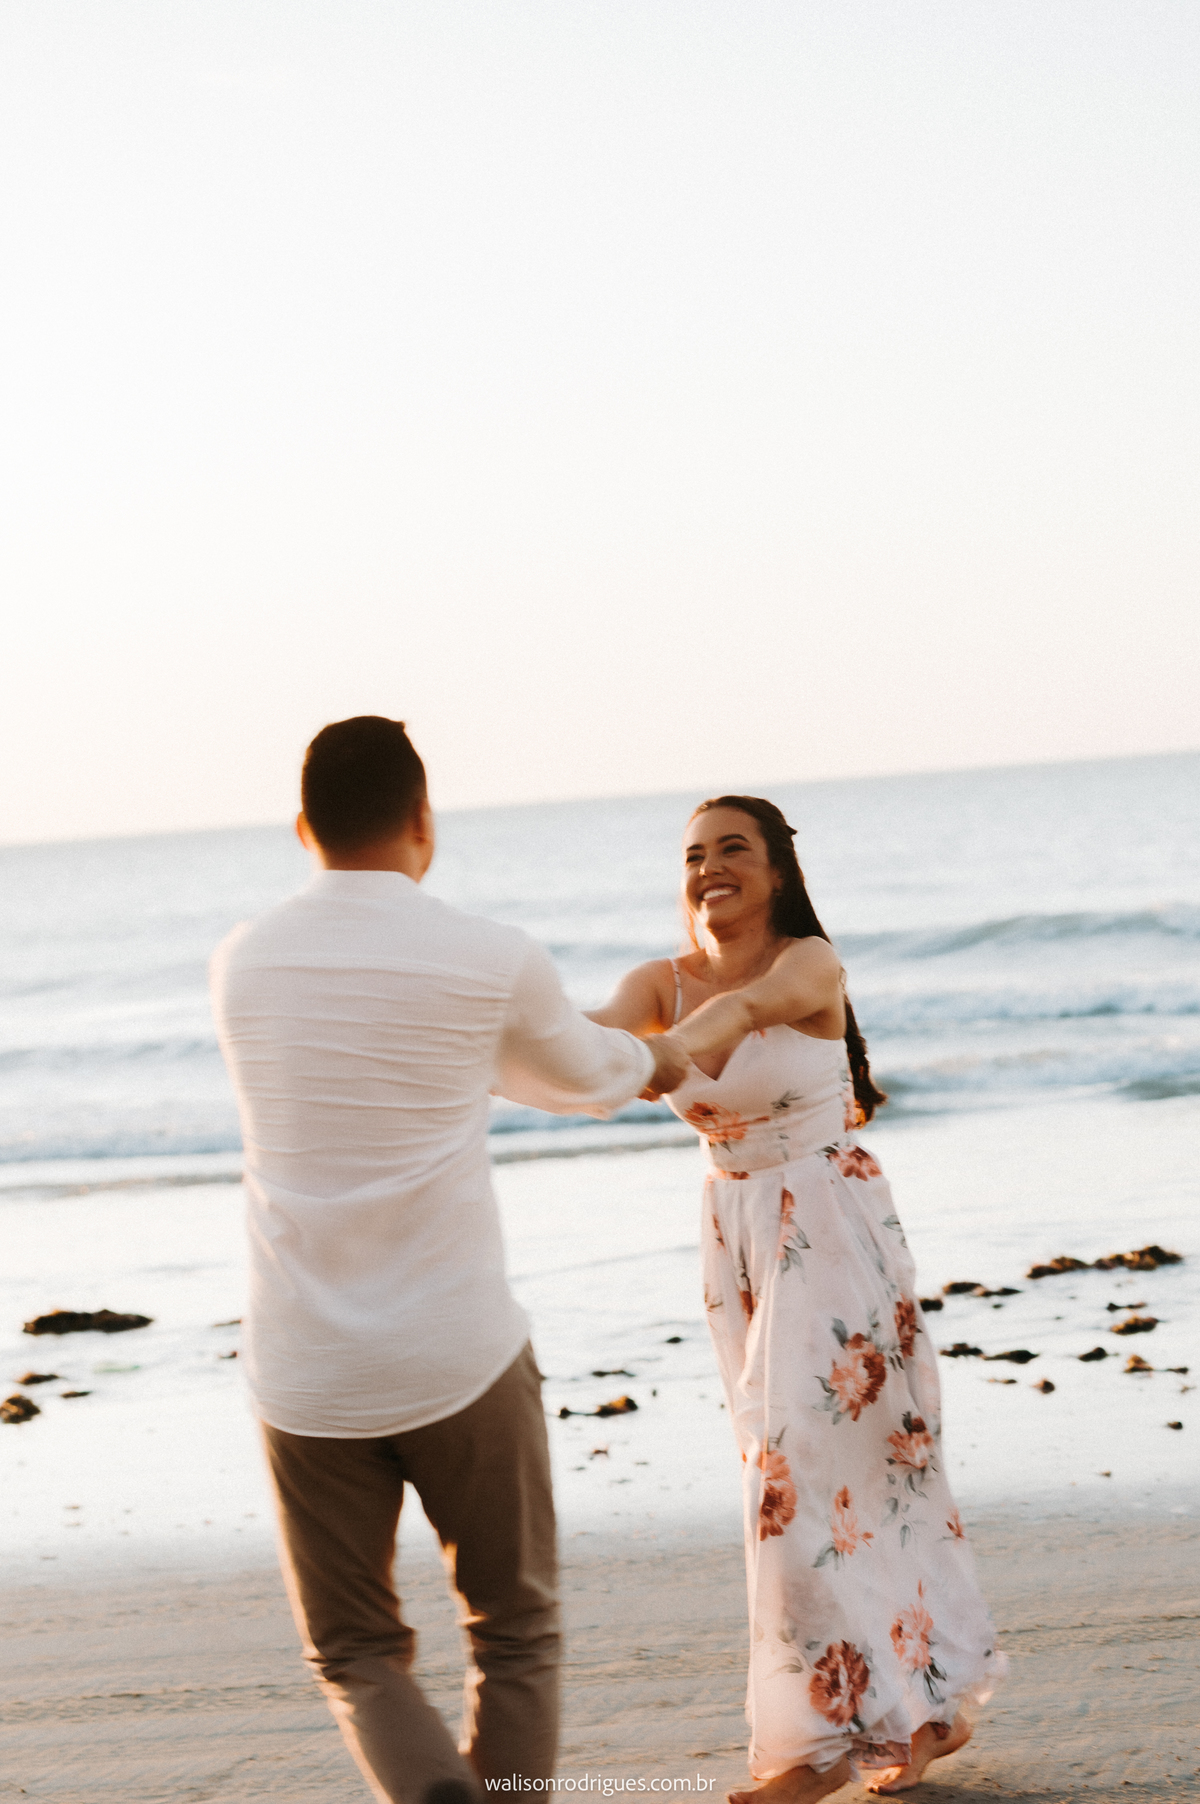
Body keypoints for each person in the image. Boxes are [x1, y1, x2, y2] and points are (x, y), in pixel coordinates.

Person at [209, 717, 691, 1804]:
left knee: (354, 1648)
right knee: (516, 1628)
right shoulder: (490, 956)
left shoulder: (240, 962)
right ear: (425, 819)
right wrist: (660, 1053)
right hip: (458, 1352)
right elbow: (574, 1074)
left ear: (302, 827)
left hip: (306, 1370)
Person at [589, 796, 1004, 1803]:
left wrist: (666, 1053)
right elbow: (587, 1044)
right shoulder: (657, 980)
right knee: (829, 1478)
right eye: (694, 855)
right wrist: (560, 1047)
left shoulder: (810, 962)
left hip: (828, 1220)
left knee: (802, 1472)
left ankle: (811, 1748)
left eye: (734, 848)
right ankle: (929, 1708)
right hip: (736, 1236)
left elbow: (735, 1020)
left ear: (776, 870)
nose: (710, 867)